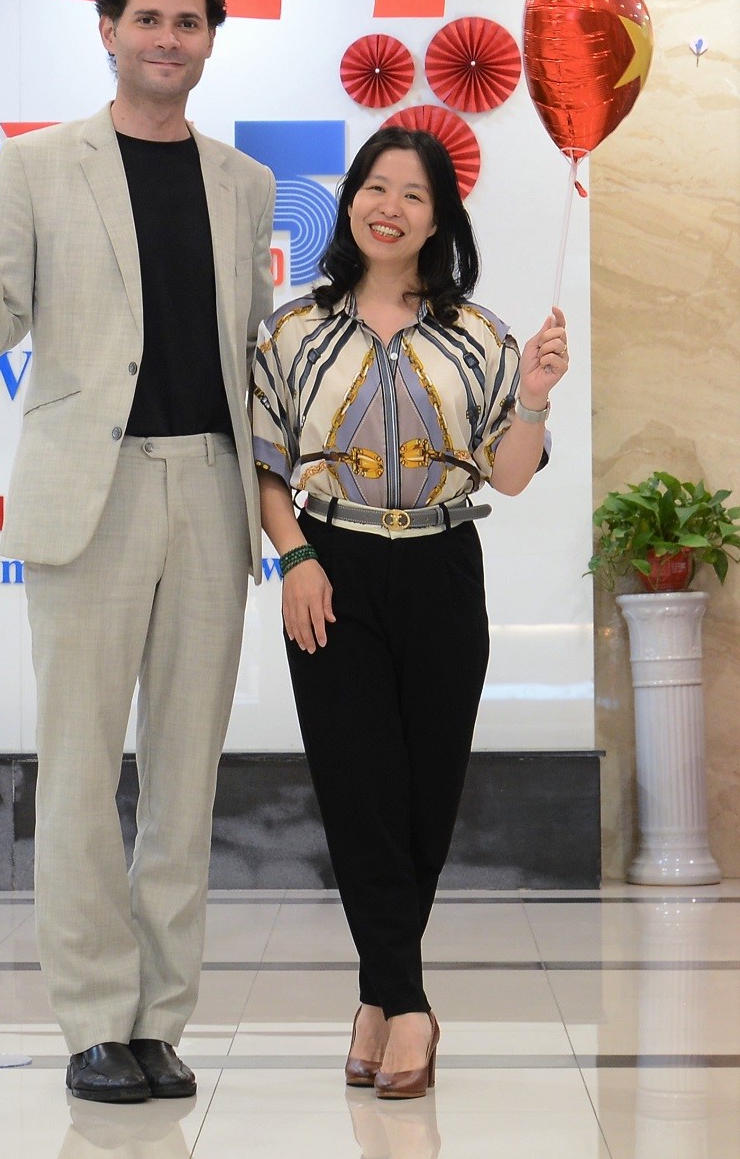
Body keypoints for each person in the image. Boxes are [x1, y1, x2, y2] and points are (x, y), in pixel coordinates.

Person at [0, 0, 276, 1105]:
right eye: (149, 18)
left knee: (185, 776)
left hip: (210, 487)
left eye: (189, 22)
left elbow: (254, 353)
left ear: (210, 41)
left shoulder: (244, 182)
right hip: (90, 494)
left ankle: (160, 1019)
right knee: (77, 769)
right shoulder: (34, 166)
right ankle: (93, 1020)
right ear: (108, 29)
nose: (169, 38)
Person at [251, 126, 568, 1100]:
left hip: (443, 566)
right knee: (359, 793)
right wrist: (295, 556)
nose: (389, 207)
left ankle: (376, 999)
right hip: (330, 567)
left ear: (438, 220)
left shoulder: (481, 336)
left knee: (426, 798)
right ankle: (411, 1007)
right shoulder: (291, 331)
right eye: (374, 188)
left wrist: (535, 396)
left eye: (413, 195)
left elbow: (510, 476)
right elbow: (264, 465)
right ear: (349, 200)